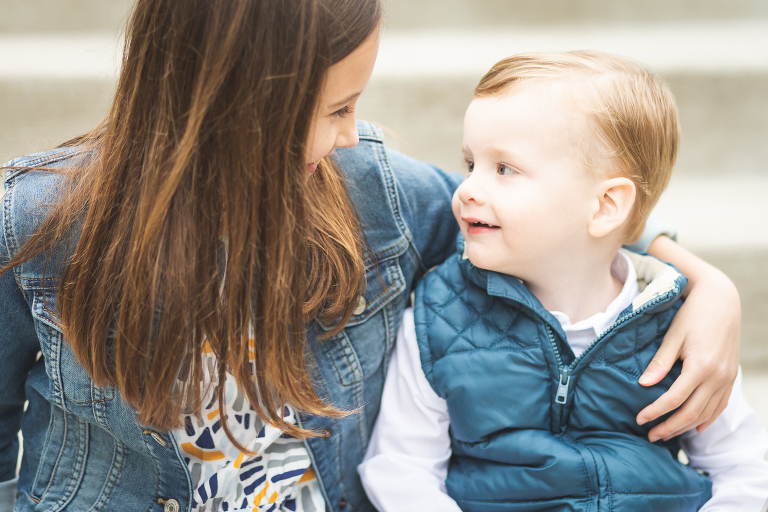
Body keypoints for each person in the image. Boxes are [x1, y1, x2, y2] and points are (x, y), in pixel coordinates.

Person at [0, 0, 744, 509]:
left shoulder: (373, 193)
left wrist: (700, 278)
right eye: (335, 110)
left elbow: (557, 227)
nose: (355, 133)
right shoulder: (36, 223)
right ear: (238, 105)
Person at [359, 51, 768, 512]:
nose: (468, 188)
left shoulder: (678, 328)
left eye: (504, 169)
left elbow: (745, 467)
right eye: (471, 163)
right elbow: (401, 468)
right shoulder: (439, 318)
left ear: (605, 206)